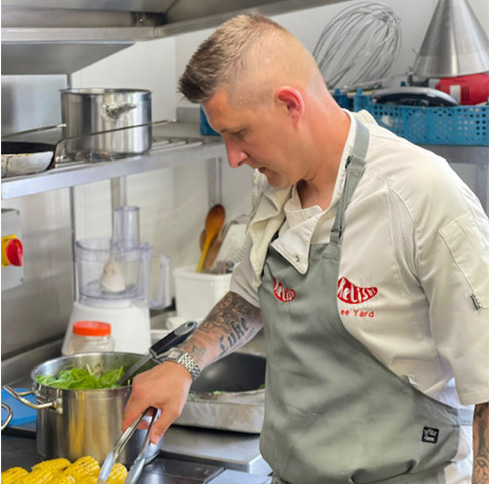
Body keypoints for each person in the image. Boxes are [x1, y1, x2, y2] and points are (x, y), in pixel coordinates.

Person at [123, 14, 489, 484]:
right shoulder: (273, 184)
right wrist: (184, 364)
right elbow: (250, 297)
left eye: (239, 133)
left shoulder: (421, 193)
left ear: (289, 105)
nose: (233, 157)